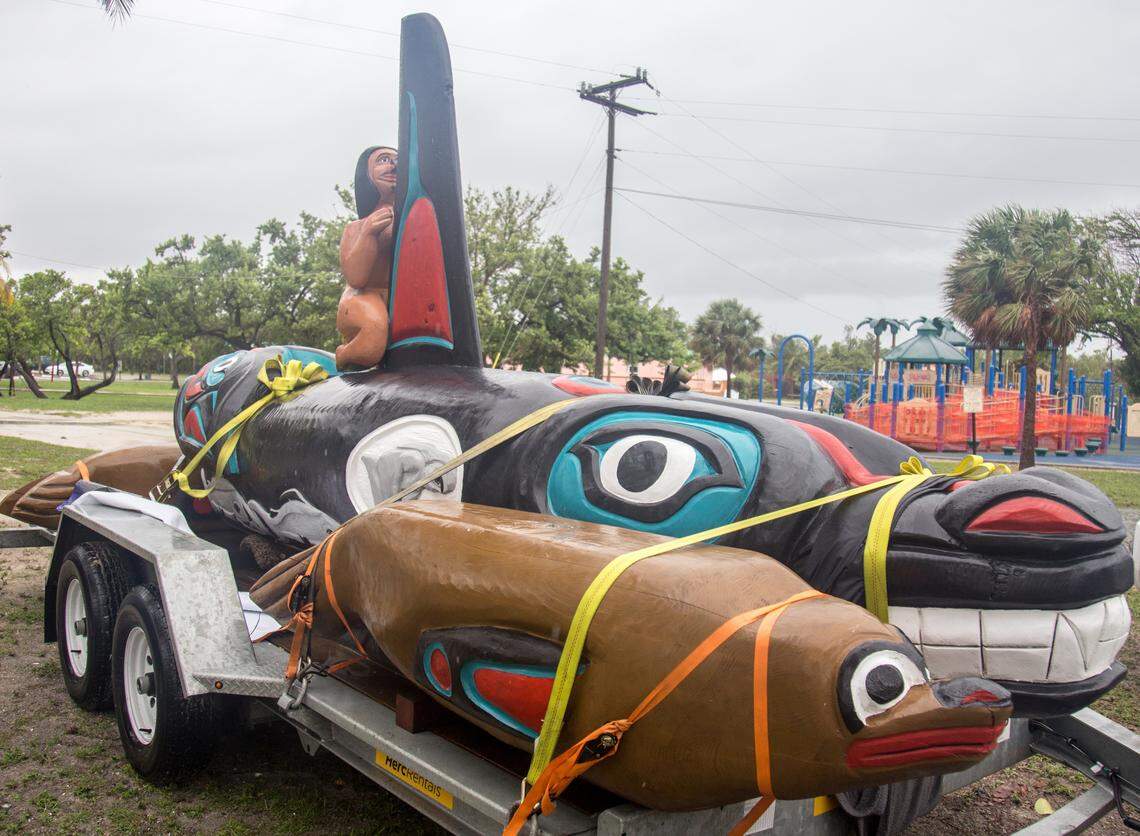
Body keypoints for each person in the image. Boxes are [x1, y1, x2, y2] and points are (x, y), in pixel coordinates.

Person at [336, 145, 398, 370]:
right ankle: (343, 355)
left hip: (399, 297)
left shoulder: (411, 216)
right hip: (363, 296)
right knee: (372, 338)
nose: (393, 166)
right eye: (383, 160)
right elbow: (356, 277)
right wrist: (368, 233)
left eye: (398, 160)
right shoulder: (356, 227)